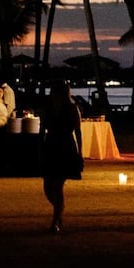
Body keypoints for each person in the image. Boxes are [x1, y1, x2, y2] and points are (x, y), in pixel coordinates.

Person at [40, 83, 83, 233]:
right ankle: (59, 211)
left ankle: (55, 222)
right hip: (51, 146)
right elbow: (42, 129)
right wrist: (40, 146)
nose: (54, 95)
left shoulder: (72, 108)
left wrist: (80, 153)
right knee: (47, 187)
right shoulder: (48, 108)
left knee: (57, 186)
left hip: (65, 147)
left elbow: (78, 132)